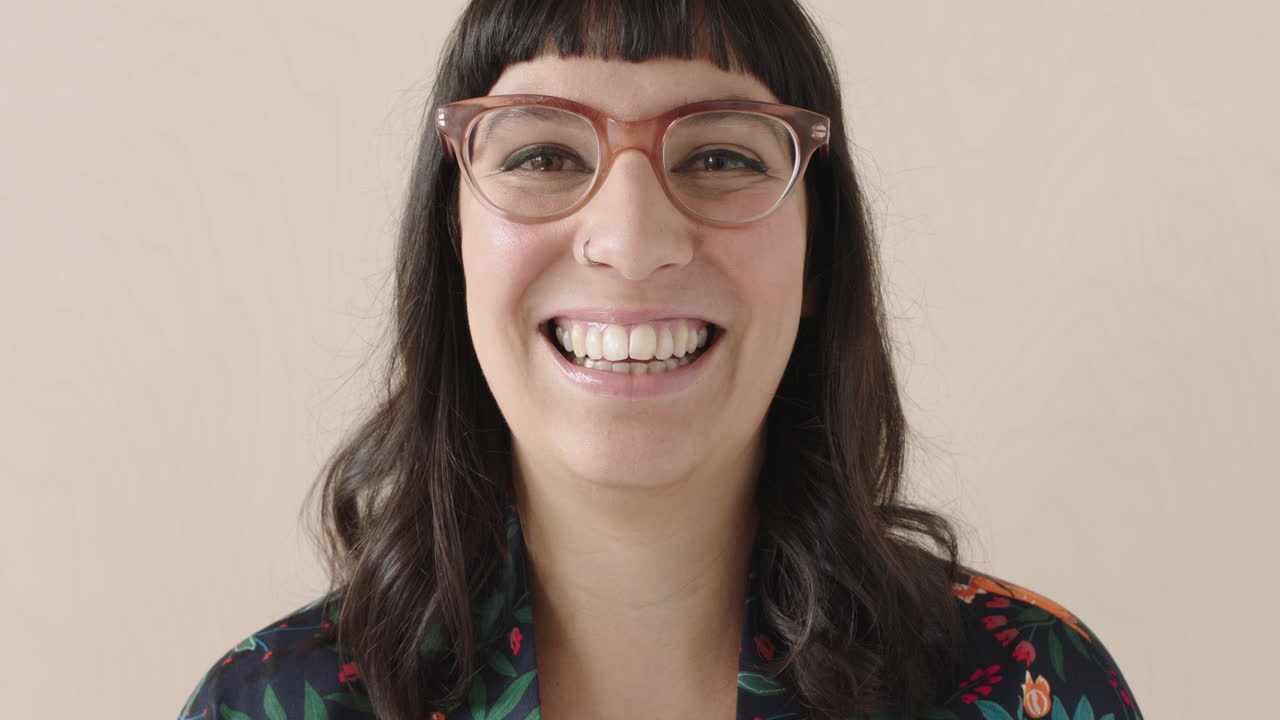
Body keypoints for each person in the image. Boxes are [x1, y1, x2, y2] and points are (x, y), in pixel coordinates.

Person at [177, 1, 1144, 719]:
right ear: (455, 241)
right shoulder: (265, 703)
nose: (633, 240)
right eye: (544, 155)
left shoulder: (1031, 687)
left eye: (721, 157)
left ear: (819, 251)